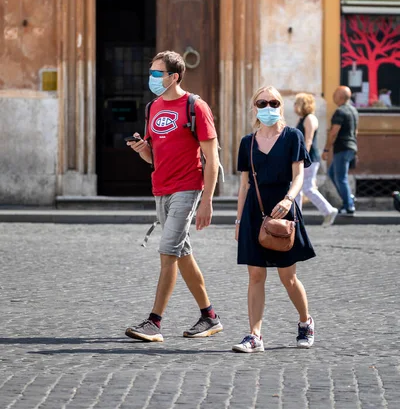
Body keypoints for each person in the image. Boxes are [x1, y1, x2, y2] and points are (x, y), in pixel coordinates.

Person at [125, 50, 223, 342]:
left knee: (168, 252)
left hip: (187, 187)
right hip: (161, 188)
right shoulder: (152, 107)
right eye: (151, 72)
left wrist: (207, 201)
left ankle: (154, 323)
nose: (152, 78)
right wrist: (143, 150)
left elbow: (212, 157)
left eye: (158, 73)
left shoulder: (196, 107)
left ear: (174, 76)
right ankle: (210, 317)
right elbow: (154, 157)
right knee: (182, 254)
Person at [233, 86, 316, 354]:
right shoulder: (248, 142)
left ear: (280, 105)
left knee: (287, 277)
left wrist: (290, 199)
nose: (267, 106)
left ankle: (306, 321)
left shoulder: (293, 136)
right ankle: (254, 336)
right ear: (254, 107)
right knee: (255, 274)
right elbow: (244, 185)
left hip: (284, 210)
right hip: (254, 213)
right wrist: (237, 221)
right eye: (262, 102)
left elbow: (299, 175)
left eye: (273, 102)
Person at [294, 93, 338, 227]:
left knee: (306, 188)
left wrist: (303, 157)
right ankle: (296, 217)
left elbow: (308, 140)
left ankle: (328, 210)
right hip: (306, 158)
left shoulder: (310, 119)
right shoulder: (303, 119)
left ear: (303, 104)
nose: (294, 106)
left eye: (296, 103)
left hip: (309, 158)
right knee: (299, 188)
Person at [322, 86, 359, 216]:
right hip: (351, 147)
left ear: (341, 97)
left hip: (342, 148)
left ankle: (349, 206)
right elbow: (355, 131)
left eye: (335, 93)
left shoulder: (340, 112)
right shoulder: (354, 111)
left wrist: (326, 149)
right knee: (333, 174)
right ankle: (348, 199)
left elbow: (333, 133)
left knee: (341, 177)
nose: (333, 95)